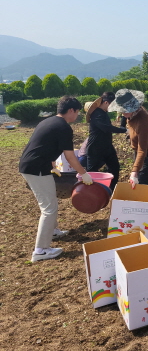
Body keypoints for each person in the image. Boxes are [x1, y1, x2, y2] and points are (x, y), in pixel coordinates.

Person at [19, 96, 94, 262]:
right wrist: (83, 173)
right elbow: (70, 157)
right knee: (48, 208)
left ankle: (52, 231)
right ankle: (40, 250)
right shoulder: (64, 128)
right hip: (36, 169)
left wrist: (52, 164)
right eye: (78, 112)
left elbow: (45, 145)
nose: (78, 116)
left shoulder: (49, 121)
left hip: (33, 165)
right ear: (71, 110)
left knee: (50, 201)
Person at [108, 89, 148, 188]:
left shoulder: (143, 121)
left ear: (132, 108)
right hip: (138, 151)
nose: (122, 113)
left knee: (142, 183)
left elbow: (142, 150)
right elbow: (133, 127)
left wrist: (134, 172)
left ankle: (143, 201)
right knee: (137, 180)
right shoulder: (131, 115)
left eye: (124, 110)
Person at [85, 92, 127, 190]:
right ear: (107, 103)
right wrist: (124, 130)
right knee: (92, 172)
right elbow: (106, 128)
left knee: (114, 167)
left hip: (106, 146)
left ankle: (110, 189)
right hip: (95, 147)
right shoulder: (97, 114)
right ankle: (90, 193)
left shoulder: (103, 113)